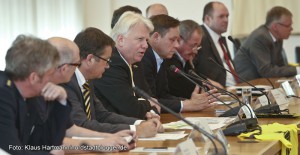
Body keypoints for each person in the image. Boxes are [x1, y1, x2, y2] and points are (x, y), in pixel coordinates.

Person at [26, 37, 134, 154]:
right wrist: (99, 144)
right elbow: (47, 143)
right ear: (64, 68)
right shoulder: (33, 91)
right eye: (77, 64)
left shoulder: (55, 89)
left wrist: (107, 137)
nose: (78, 69)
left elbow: (70, 129)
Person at [62, 27, 162, 138]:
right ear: (90, 59)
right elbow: (82, 125)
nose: (108, 66)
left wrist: (140, 123)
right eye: (107, 60)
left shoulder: (87, 80)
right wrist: (135, 130)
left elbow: (103, 115)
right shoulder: (67, 83)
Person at [142, 15, 219, 113]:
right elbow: (150, 101)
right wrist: (186, 105)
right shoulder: (144, 59)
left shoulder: (159, 57)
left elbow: (164, 96)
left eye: (177, 40)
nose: (176, 45)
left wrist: (190, 102)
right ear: (156, 37)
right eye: (172, 40)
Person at [93, 12, 162, 119]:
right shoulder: (110, 63)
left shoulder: (135, 63)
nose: (146, 46)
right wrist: (148, 106)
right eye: (140, 39)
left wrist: (152, 114)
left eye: (146, 40)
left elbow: (151, 98)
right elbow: (130, 108)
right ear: (121, 40)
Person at [0, 35, 61, 155]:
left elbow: (43, 141)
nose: (54, 79)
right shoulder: (3, 95)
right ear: (33, 77)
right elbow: (12, 150)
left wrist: (62, 100)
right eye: (51, 74)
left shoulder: (29, 95)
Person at [234, 6, 298, 81]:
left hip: (263, 82)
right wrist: (296, 70)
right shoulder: (260, 37)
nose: (291, 29)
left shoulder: (278, 38)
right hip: (248, 84)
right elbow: (266, 71)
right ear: (275, 27)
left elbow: (280, 66)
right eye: (288, 25)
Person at [164, 20, 224, 99]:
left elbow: (196, 81)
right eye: (193, 45)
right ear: (179, 39)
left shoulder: (185, 59)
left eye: (198, 46)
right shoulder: (170, 60)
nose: (195, 51)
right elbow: (189, 89)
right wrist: (207, 87)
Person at [194, 1, 237, 87]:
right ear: (207, 19)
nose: (226, 20)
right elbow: (191, 69)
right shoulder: (200, 37)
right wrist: (206, 81)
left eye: (227, 16)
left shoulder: (221, 39)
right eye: (221, 16)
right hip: (216, 92)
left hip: (233, 88)